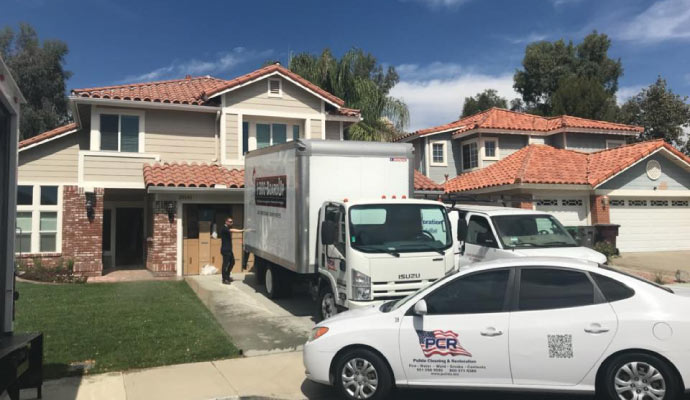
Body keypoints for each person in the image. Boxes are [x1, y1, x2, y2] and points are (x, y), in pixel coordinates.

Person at [219, 217, 245, 284]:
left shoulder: (227, 228)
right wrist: (241, 230)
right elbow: (232, 230)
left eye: (232, 222)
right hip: (225, 250)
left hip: (229, 250)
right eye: (230, 222)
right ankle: (224, 279)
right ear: (226, 222)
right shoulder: (224, 229)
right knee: (225, 264)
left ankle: (227, 276)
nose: (232, 223)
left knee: (232, 262)